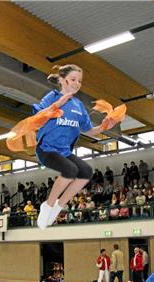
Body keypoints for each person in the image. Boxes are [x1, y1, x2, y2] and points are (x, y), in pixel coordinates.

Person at [34, 64, 119, 229]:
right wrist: (57, 104)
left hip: (64, 152)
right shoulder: (52, 97)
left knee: (86, 172)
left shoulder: (78, 105)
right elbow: (37, 117)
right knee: (70, 170)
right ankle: (48, 205)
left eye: (79, 81)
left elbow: (88, 130)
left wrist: (104, 127)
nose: (77, 83)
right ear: (62, 80)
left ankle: (59, 207)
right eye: (73, 79)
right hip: (46, 149)